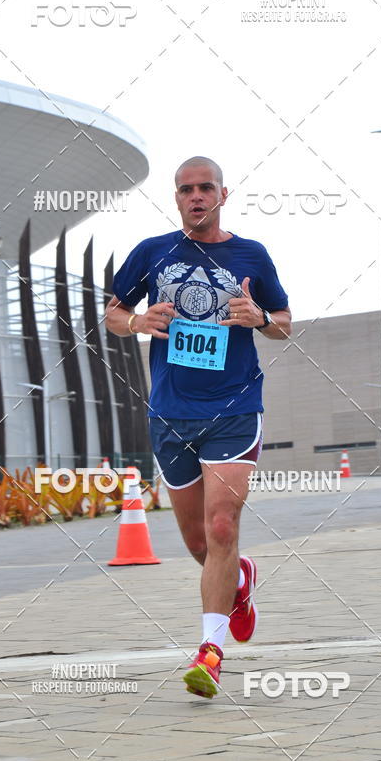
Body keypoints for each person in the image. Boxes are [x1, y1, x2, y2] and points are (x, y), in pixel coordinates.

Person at [105, 156, 291, 698]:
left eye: (205, 187)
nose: (195, 196)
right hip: (171, 412)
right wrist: (138, 321)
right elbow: (113, 314)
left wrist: (259, 318)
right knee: (197, 542)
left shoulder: (251, 255)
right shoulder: (152, 252)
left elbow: (284, 324)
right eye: (185, 189)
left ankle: (209, 653)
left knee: (221, 527)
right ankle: (240, 578)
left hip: (234, 408)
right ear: (177, 196)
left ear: (222, 194)